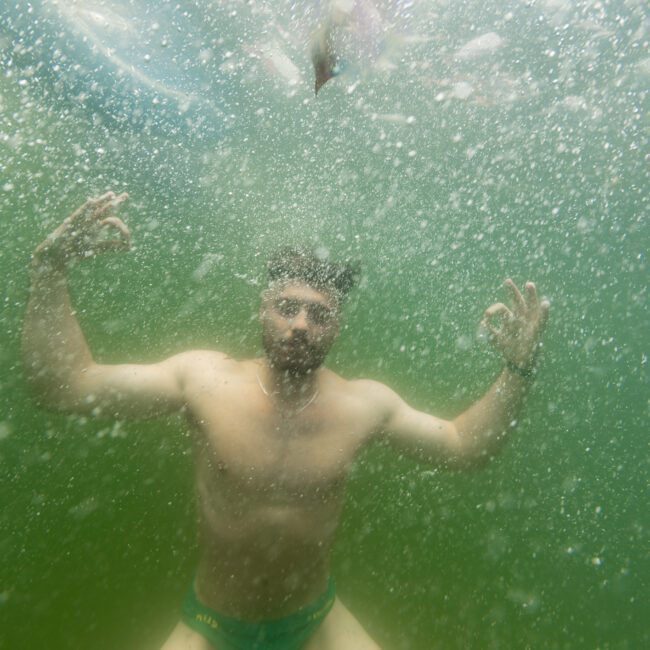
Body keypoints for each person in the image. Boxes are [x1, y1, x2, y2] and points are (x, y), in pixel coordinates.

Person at [23, 192, 550, 650]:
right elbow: (64, 386)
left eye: (318, 314)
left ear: (337, 326)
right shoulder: (204, 381)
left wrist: (518, 370)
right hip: (211, 622)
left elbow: (464, 446)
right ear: (263, 309)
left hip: (315, 619)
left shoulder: (365, 405)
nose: (300, 325)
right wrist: (49, 268)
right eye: (287, 307)